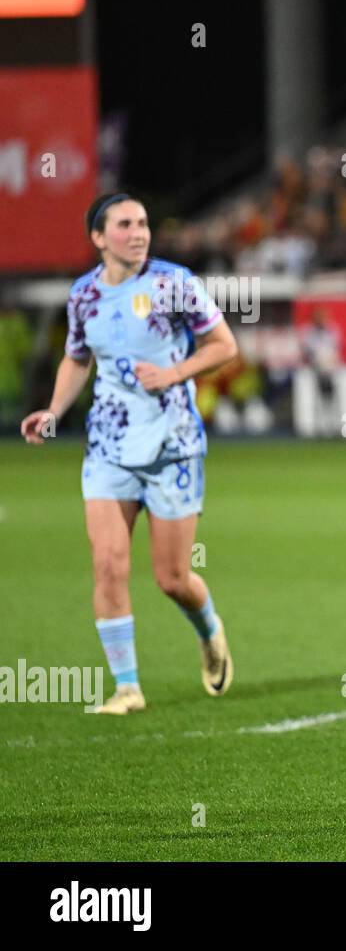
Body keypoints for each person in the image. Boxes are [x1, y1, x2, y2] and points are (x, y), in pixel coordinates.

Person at [19, 193, 239, 714]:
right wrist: (52, 411)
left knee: (172, 579)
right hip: (108, 449)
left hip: (172, 447)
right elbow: (77, 360)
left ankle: (209, 631)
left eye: (142, 223)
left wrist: (173, 373)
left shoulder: (173, 283)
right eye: (125, 225)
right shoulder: (83, 296)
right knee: (108, 567)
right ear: (99, 238)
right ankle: (127, 687)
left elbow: (223, 346)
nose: (138, 232)